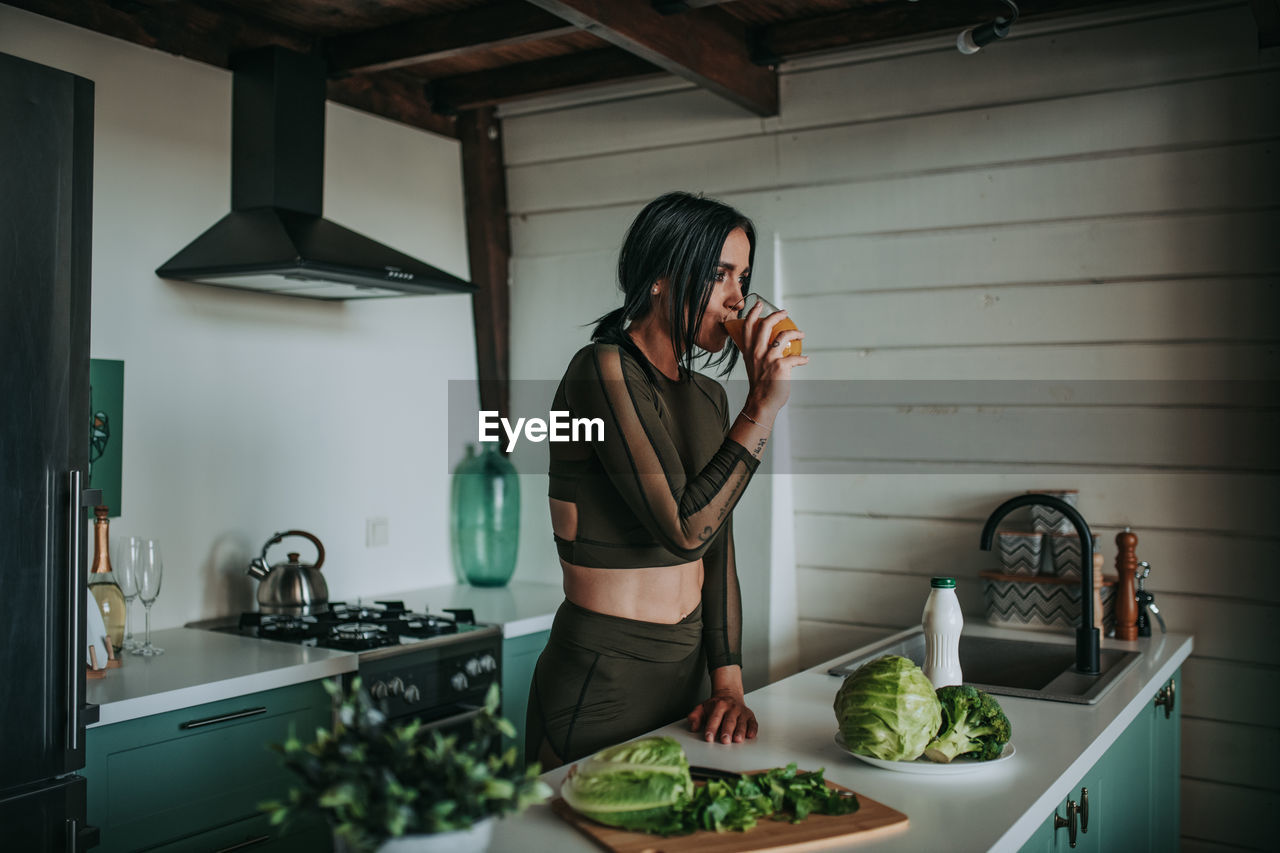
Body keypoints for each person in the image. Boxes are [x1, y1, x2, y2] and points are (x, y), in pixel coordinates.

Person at [525, 191, 808, 769]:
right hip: (605, 674)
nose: (738, 297)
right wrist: (764, 406)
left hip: (690, 677)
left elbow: (715, 546)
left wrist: (727, 683)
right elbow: (681, 529)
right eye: (719, 274)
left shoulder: (709, 396)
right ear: (660, 275)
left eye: (744, 276)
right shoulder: (601, 370)